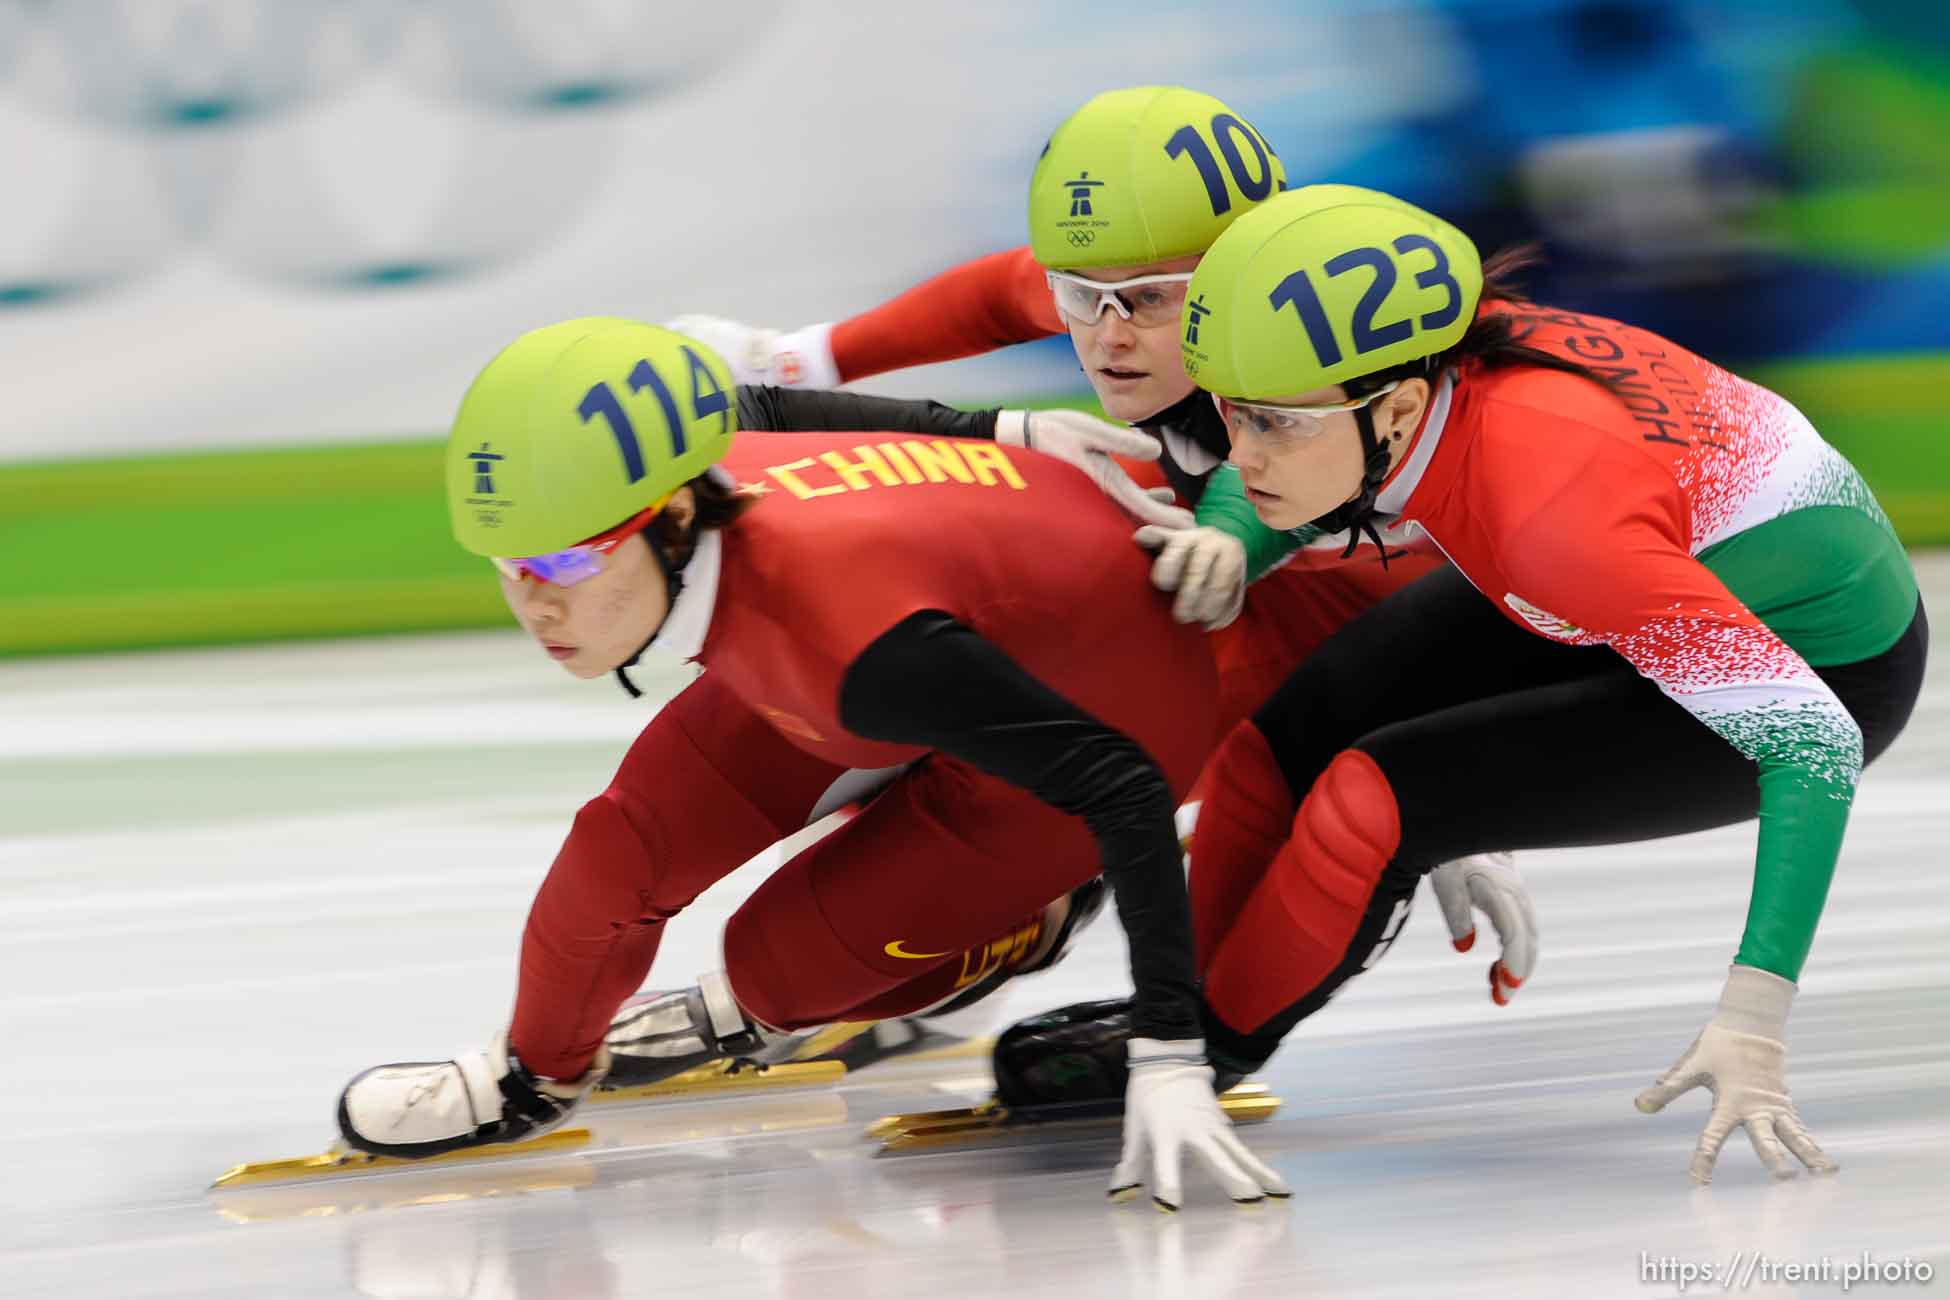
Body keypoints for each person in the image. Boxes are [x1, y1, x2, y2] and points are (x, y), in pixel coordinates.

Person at [333, 317, 1289, 1209]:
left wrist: (1169, 1050)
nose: (536, 604)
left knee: (777, 973)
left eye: (570, 564)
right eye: (511, 566)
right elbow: (764, 407)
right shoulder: (708, 481)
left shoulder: (842, 640)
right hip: (949, 622)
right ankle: (528, 1081)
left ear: (671, 520)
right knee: (619, 847)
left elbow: (1120, 786)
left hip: (1110, 701)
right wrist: (1004, 426)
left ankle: (1031, 918)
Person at [1117, 183, 1925, 1184]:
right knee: (1276, 749)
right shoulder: (1428, 360)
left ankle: (1214, 1051)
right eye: (1230, 416)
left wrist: (1753, 1017)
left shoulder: (1549, 518)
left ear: (1403, 406)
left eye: (1272, 425)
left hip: (1817, 661)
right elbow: (1321, 450)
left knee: (1369, 802)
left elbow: (1813, 740)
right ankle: (1163, 1022)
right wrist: (1234, 532)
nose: (1240, 455)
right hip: (1645, 562)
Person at [672, 85, 1537, 998]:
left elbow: (1316, 484)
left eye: (1153, 295)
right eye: (1086, 294)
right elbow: (1002, 294)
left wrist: (1461, 801)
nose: (1111, 330)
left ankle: (1047, 920)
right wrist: (801, 360)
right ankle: (1007, 890)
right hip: (1267, 567)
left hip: (1378, 620)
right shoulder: (1147, 305)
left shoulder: (1342, 336)